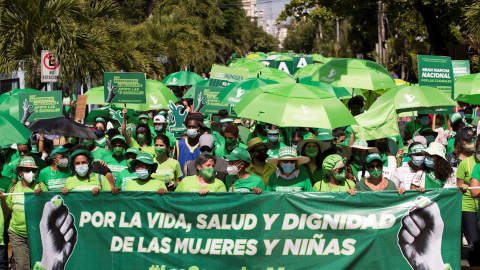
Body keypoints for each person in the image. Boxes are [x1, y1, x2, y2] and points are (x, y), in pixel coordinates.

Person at [1, 156, 47, 270]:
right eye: (27, 170)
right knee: (22, 266)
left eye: (33, 170)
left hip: (37, 234)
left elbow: (48, 209)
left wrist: (41, 196)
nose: (31, 173)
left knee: (38, 265)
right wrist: (2, 199)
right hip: (17, 233)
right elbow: (8, 212)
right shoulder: (12, 188)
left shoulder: (41, 186)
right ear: (20, 172)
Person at [458, 136, 480, 269]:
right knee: (474, 243)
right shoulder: (465, 163)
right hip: (468, 207)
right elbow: (458, 187)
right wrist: (464, 187)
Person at [173, 113, 204, 177]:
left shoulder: (204, 145)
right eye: (189, 127)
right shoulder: (179, 144)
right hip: (181, 183)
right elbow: (174, 165)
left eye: (194, 127)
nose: (191, 129)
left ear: (199, 128)